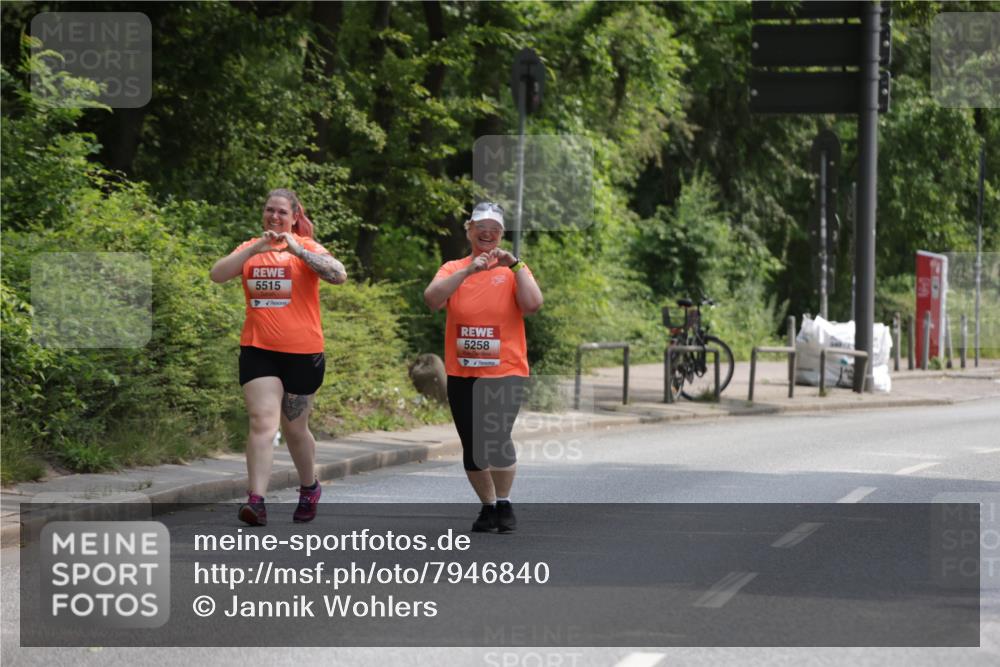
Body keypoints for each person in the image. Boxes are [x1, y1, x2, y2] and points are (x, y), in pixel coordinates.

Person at [210, 188, 346, 526]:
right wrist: (256, 247)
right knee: (262, 422)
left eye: (282, 212)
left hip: (303, 354)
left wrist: (297, 248)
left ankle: (309, 486)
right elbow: (217, 274)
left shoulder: (308, 249)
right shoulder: (250, 249)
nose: (274, 217)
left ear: (295, 215)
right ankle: (256, 501)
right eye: (269, 210)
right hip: (259, 351)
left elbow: (338, 274)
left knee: (295, 428)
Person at [423, 202, 543, 533]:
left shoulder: (515, 270)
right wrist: (468, 272)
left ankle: (504, 503)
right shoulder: (453, 268)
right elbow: (432, 299)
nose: (487, 232)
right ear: (469, 230)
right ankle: (488, 506)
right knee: (473, 443)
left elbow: (533, 305)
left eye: (494, 227)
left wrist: (516, 266)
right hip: (463, 372)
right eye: (480, 226)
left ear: (501, 234)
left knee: (496, 434)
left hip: (506, 371)